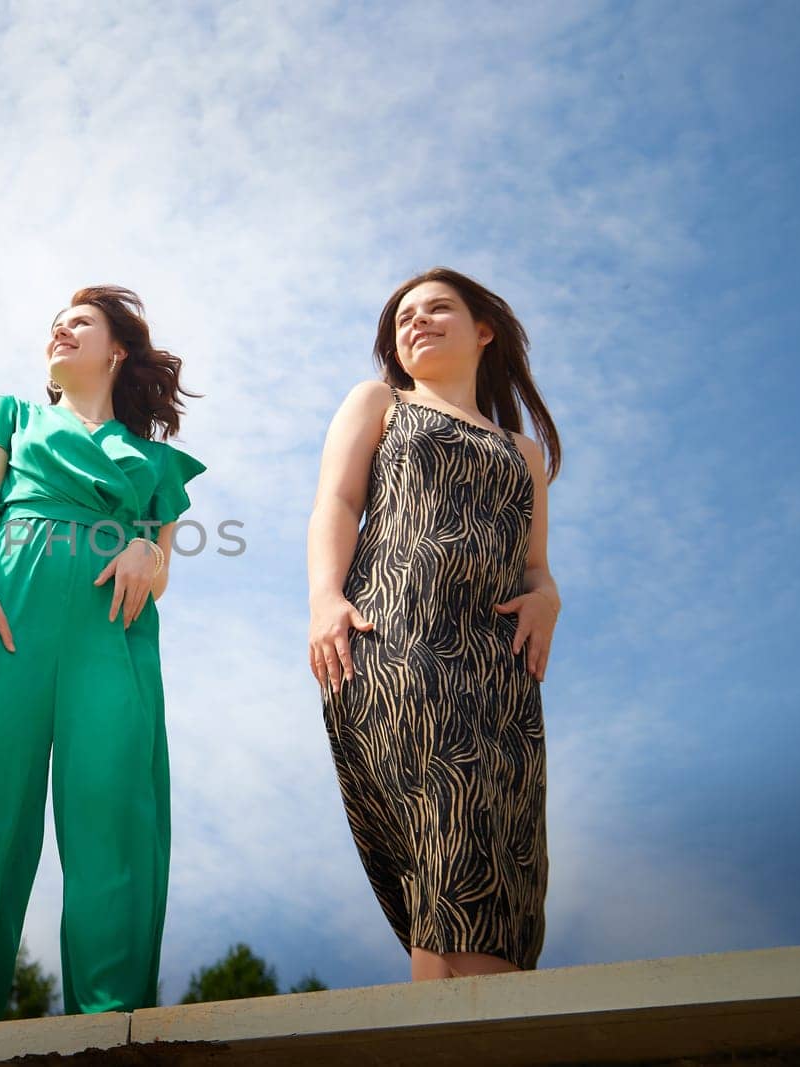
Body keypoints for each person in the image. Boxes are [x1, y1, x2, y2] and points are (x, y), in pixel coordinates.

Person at [0, 286, 205, 1028]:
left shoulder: (155, 462)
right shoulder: (11, 417)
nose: (60, 328)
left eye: (81, 322)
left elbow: (161, 565)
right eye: (55, 323)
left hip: (110, 637)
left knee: (113, 824)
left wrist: (139, 548)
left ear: (115, 350)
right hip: (3, 618)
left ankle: (109, 1022)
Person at [307, 267, 562, 979]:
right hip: (395, 641)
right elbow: (336, 502)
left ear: (484, 329)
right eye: (403, 317)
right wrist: (325, 598)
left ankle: (455, 1026)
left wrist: (548, 597)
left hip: (501, 674)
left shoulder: (525, 453)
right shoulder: (379, 403)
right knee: (453, 822)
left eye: (437, 308)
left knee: (486, 862)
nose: (416, 322)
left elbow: (536, 566)